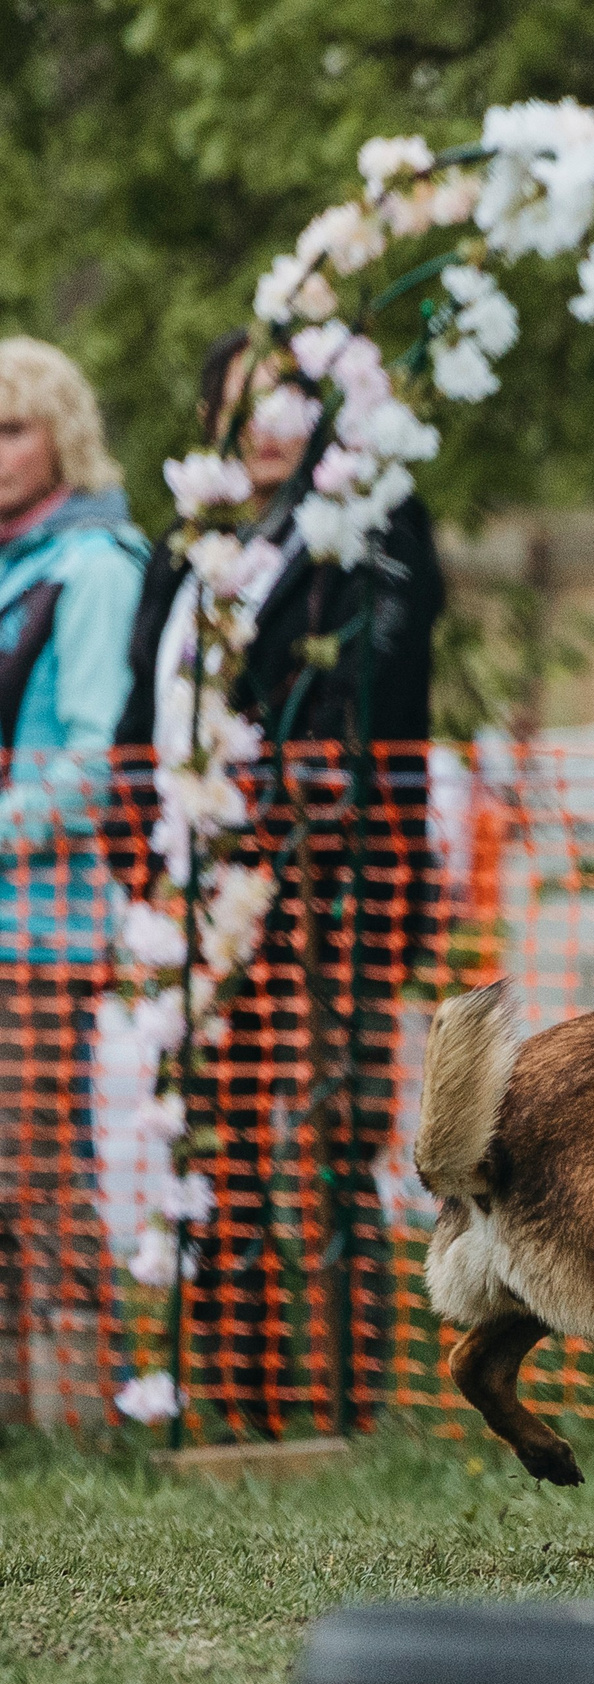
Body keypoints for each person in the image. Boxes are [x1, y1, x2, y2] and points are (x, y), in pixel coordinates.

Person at [116, 329, 445, 1434]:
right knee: (217, 1140)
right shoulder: (185, 549)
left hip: (332, 887)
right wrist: (146, 862)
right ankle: (239, 1406)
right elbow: (136, 716)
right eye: (242, 401)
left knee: (335, 1142)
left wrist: (272, 839)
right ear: (212, 419)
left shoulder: (377, 526)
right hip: (193, 892)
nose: (267, 423)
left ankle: (349, 1412)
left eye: (290, 398)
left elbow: (370, 696)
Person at [0, 336, 148, 1425]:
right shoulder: (10, 563)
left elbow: (95, 764)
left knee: (38, 1183)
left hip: (39, 934)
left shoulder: (93, 567)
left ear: (64, 438)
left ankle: (81, 1421)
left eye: (13, 428)